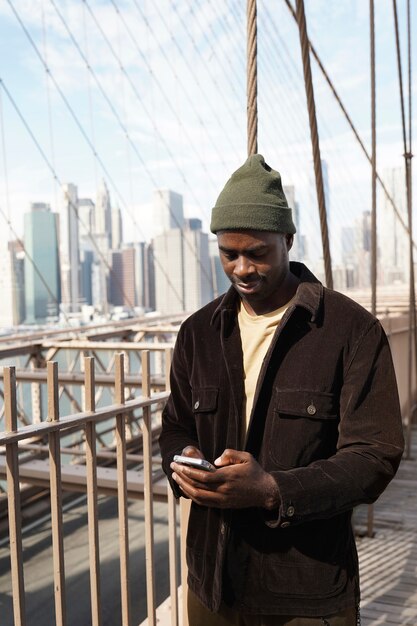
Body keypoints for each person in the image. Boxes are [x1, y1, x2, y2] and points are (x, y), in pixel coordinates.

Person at [159, 154, 404, 626]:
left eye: (258, 252)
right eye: (229, 253)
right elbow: (174, 424)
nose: (242, 268)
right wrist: (184, 457)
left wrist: (272, 490)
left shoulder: (351, 331)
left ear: (288, 240)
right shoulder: (198, 333)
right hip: (213, 587)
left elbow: (375, 456)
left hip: (305, 596)